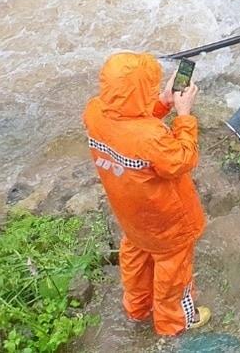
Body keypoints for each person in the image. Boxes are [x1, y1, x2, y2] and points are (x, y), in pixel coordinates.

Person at [83, 52, 210, 336]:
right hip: (167, 223)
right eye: (149, 89)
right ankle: (175, 322)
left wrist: (162, 102)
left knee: (136, 259)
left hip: (132, 217)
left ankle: (137, 308)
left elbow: (126, 121)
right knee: (174, 274)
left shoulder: (93, 112)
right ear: (140, 92)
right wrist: (184, 115)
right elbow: (182, 159)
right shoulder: (151, 137)